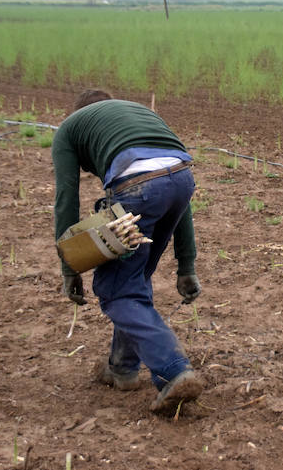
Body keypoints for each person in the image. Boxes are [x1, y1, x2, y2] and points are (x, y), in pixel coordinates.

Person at [52, 89, 203, 415]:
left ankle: (175, 370)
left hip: (137, 186)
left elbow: (67, 199)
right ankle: (122, 368)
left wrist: (69, 267)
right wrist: (186, 265)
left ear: (80, 115)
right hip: (182, 178)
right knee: (133, 276)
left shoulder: (68, 129)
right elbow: (173, 184)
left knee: (115, 289)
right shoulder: (137, 118)